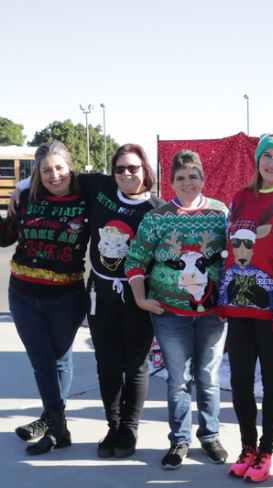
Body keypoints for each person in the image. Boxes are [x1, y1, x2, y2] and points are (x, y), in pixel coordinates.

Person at [13, 143, 164, 458]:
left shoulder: (159, 210)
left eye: (132, 167)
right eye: (119, 168)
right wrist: (22, 185)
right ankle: (112, 426)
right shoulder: (98, 188)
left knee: (135, 366)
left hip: (137, 298)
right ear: (112, 172)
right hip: (99, 296)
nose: (125, 173)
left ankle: (129, 429)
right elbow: (59, 171)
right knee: (106, 366)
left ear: (145, 170)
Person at [125, 149, 229, 470]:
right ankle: (179, 440)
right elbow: (135, 260)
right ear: (171, 182)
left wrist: (228, 300)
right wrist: (142, 299)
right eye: (180, 178)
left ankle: (210, 435)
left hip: (212, 314)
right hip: (170, 315)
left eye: (193, 176)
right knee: (178, 380)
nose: (187, 182)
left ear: (202, 179)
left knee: (209, 378)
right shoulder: (156, 219)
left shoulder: (220, 213)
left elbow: (232, 257)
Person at [218, 133, 273, 483]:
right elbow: (229, 252)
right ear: (257, 159)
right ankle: (247, 447)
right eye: (267, 155)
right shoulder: (240, 198)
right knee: (239, 382)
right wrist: (223, 300)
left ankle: (266, 450)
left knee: (272, 381)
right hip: (238, 307)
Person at [0, 141, 90, 455]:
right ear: (38, 174)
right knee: (42, 364)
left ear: (70, 168)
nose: (54, 176)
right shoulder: (26, 197)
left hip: (66, 296)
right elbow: (5, 237)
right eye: (46, 170)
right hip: (23, 296)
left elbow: (125, 188)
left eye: (59, 168)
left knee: (60, 360)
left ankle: (51, 422)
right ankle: (56, 426)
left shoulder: (86, 197)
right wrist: (21, 188)